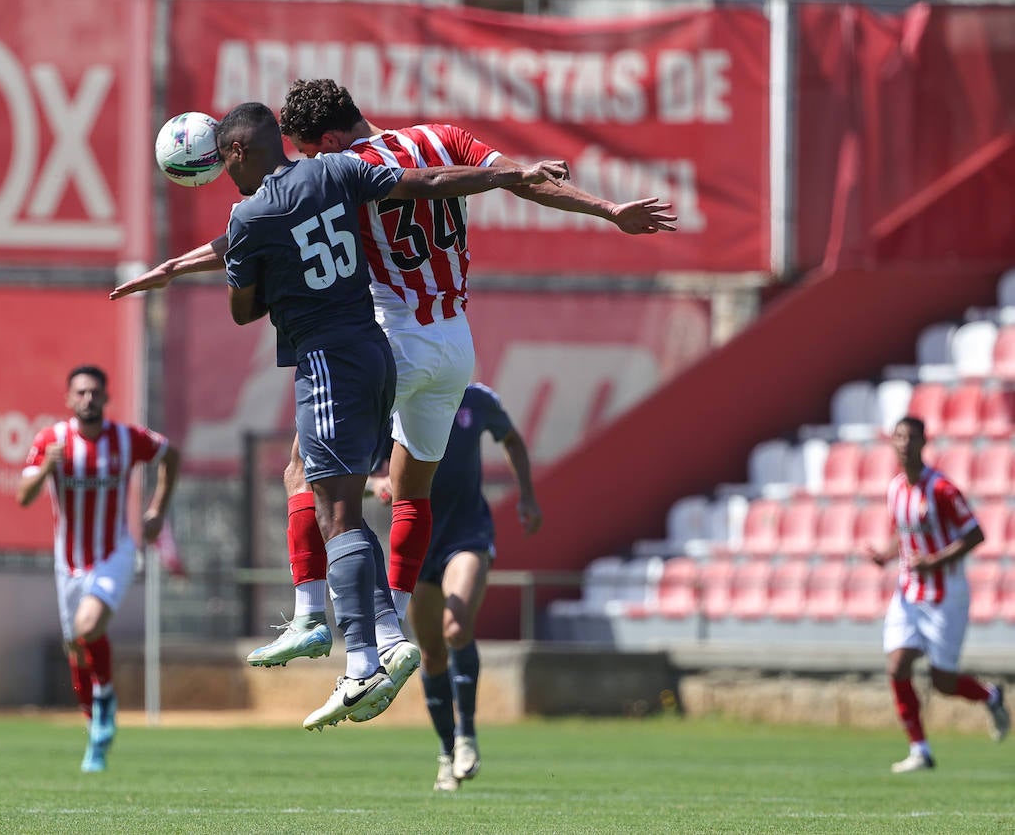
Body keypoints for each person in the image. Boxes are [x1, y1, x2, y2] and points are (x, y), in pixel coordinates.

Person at [112, 79, 673, 699]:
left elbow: (253, 233)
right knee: (411, 492)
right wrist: (609, 211)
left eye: (306, 150)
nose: (302, 162)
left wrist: (174, 267)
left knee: (309, 476)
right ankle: (393, 624)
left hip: (386, 339)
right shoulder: (442, 136)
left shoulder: (340, 168)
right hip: (455, 344)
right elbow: (522, 179)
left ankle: (328, 624)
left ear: (324, 141)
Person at [212, 100, 570, 730]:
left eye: (219, 162)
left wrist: (257, 265)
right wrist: (515, 175)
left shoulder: (253, 213)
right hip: (437, 342)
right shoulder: (336, 174)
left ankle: (344, 639)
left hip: (340, 354)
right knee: (403, 492)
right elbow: (430, 181)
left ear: (240, 152)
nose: (219, 173)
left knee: (326, 498)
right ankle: (383, 623)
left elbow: (244, 309)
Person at [365, 382, 540, 791]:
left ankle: (467, 736)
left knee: (456, 624)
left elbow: (511, 439)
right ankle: (446, 752)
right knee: (431, 654)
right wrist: (377, 482)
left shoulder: (477, 398)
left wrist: (527, 497)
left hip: (468, 532)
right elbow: (368, 467)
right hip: (417, 541)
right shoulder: (395, 397)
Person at [17, 364, 181, 773]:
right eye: (81, 393)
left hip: (114, 553)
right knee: (76, 645)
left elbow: (170, 455)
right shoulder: (51, 441)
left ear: (106, 397)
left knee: (88, 627)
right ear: (69, 399)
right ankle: (95, 729)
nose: (88, 399)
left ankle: (105, 696)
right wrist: (46, 470)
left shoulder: (127, 439)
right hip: (68, 561)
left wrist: (157, 509)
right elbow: (23, 496)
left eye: (95, 392)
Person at [863, 416, 1008, 773]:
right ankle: (920, 749)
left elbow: (975, 533)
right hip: (909, 592)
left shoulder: (942, 489)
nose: (904, 443)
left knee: (943, 682)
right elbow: (904, 531)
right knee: (897, 665)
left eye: (911, 437)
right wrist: (886, 554)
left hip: (946, 595)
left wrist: (935, 561)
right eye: (898, 437)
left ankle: (991, 695)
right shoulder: (895, 488)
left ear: (924, 442)